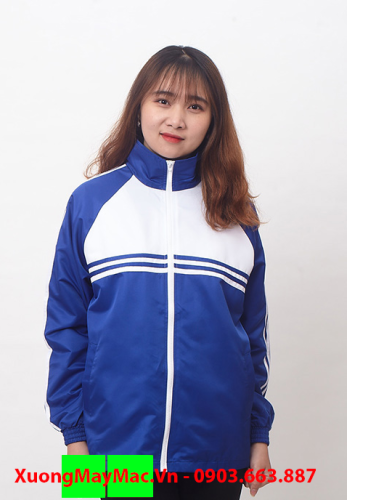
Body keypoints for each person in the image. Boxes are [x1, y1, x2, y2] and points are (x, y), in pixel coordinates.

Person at [44, 45, 275, 500]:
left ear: (214, 120)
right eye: (163, 100)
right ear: (139, 107)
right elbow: (67, 327)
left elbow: (253, 339)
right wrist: (75, 437)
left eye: (196, 106)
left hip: (215, 450)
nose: (177, 119)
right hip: (113, 450)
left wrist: (258, 435)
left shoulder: (235, 215)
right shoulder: (91, 205)